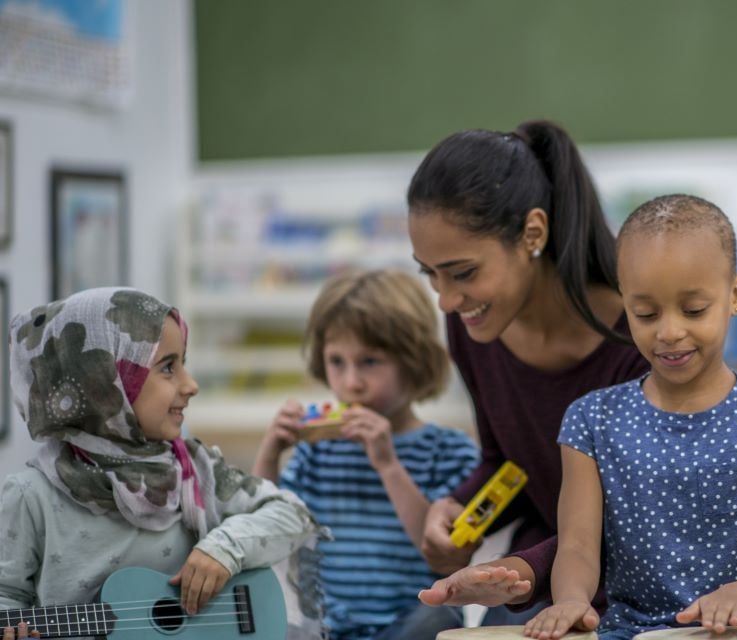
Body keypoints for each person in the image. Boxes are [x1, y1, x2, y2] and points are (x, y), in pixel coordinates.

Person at [522, 194, 737, 640]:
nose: (669, 332)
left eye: (693, 310)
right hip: (630, 633)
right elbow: (579, 547)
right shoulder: (591, 421)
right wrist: (571, 600)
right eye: (645, 313)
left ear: (734, 294)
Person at [409, 120, 649, 622]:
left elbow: (638, 520)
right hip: (538, 572)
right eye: (429, 273)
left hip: (637, 583)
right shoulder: (474, 327)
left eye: (463, 272)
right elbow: (509, 464)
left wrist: (521, 569)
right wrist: (460, 507)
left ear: (532, 233)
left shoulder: (642, 341)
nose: (446, 300)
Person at [1, 287, 321, 640]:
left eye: (184, 363)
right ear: (106, 383)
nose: (191, 385)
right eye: (168, 367)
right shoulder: (30, 497)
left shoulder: (194, 469)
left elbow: (291, 513)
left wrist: (225, 547)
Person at [253, 269, 480, 639]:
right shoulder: (318, 452)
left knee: (439, 622)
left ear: (413, 360)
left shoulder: (449, 451)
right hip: (326, 627)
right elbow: (267, 534)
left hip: (406, 623)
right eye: (337, 361)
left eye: (370, 361)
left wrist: (388, 465)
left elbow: (443, 553)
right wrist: (270, 454)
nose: (351, 382)